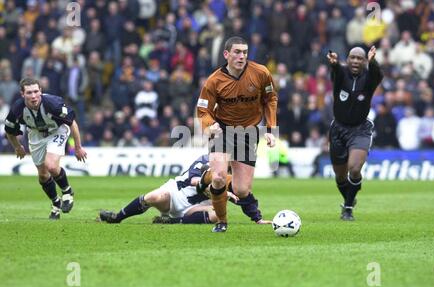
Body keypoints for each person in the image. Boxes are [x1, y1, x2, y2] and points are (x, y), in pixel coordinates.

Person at [196, 36, 277, 232]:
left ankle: (204, 178)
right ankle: (221, 221)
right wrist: (209, 125)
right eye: (237, 52)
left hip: (248, 132)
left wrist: (270, 129)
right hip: (223, 129)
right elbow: (203, 109)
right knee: (219, 178)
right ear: (227, 54)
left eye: (245, 52)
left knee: (241, 190)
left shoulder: (261, 73)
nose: (242, 56)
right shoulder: (214, 80)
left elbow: (270, 99)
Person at [98, 155, 271, 225]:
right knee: (153, 197)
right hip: (176, 195)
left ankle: (172, 221)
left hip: (193, 208)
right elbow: (194, 179)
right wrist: (214, 188)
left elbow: (244, 197)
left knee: (217, 215)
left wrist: (257, 219)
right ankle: (117, 217)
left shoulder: (233, 175)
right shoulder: (205, 160)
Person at [4, 78, 87, 220]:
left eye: (36, 91)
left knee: (51, 166)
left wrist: (78, 147)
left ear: (41, 91)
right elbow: (10, 131)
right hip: (36, 135)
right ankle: (56, 203)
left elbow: (72, 123)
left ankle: (67, 192)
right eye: (29, 92)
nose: (34, 96)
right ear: (22, 94)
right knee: (43, 175)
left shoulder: (52, 104)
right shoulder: (17, 109)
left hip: (57, 131)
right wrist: (17, 147)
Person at [326, 46, 383, 221]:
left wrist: (373, 61)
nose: (356, 61)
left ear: (364, 61)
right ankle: (349, 199)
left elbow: (378, 74)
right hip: (338, 129)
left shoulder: (369, 78)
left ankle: (348, 209)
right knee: (340, 176)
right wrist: (334, 65)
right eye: (353, 58)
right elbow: (335, 73)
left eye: (360, 58)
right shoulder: (341, 73)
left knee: (355, 168)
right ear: (347, 59)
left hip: (360, 129)